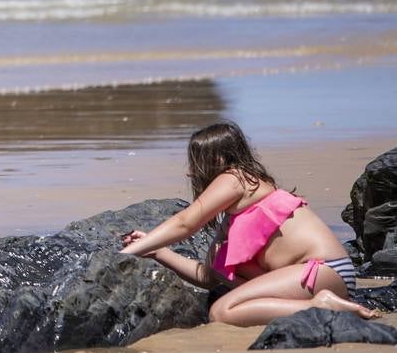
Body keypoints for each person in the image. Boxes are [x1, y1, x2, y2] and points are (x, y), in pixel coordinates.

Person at [119, 121, 376, 326]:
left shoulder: (235, 177)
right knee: (223, 293)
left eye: (197, 161)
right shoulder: (237, 211)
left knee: (221, 312)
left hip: (321, 271)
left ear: (219, 161)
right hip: (319, 275)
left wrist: (124, 254)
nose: (190, 172)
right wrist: (157, 252)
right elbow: (209, 277)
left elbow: (186, 223)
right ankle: (321, 304)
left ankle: (320, 307)